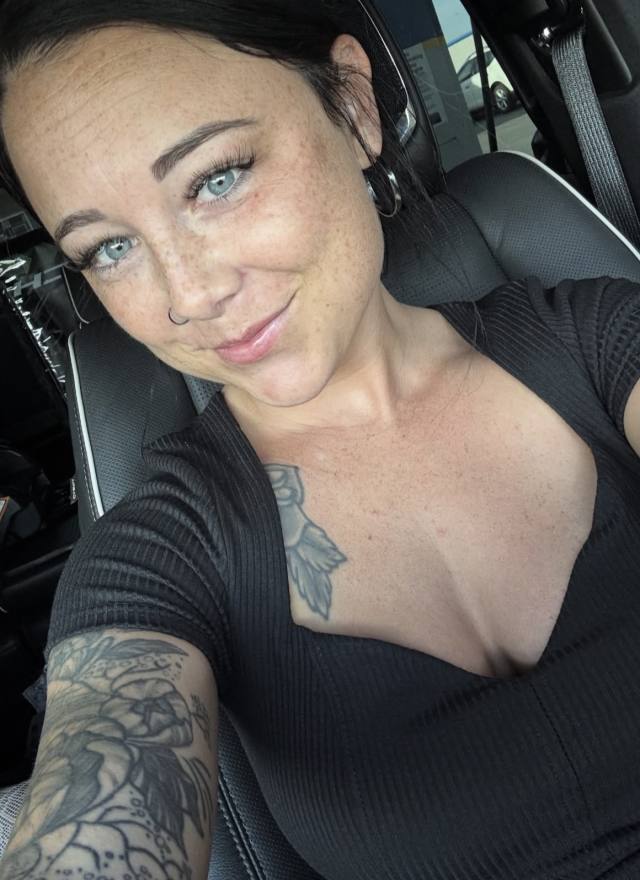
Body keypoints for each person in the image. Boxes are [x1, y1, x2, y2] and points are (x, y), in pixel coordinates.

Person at [0, 0, 640, 878]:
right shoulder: (152, 559)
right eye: (109, 248)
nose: (189, 295)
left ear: (353, 105)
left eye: (216, 178)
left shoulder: (604, 342)